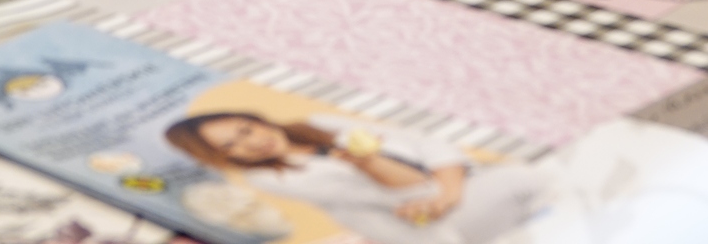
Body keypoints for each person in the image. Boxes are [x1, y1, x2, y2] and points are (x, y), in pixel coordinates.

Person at [164, 110, 548, 243]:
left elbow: (426, 143)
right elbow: (408, 193)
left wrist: (449, 189)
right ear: (223, 158)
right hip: (425, 229)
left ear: (256, 118)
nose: (253, 142)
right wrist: (367, 162)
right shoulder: (272, 179)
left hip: (455, 195)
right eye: (231, 146)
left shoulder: (316, 123)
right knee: (521, 182)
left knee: (527, 180)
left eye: (246, 129)